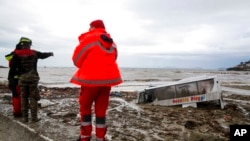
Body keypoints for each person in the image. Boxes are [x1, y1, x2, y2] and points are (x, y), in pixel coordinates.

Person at [70, 19, 122, 141]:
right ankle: (100, 138)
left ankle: (85, 137)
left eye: (90, 27)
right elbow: (113, 58)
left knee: (85, 108)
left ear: (93, 27)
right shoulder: (112, 43)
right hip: (107, 82)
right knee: (101, 111)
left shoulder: (88, 39)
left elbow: (76, 60)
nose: (88, 29)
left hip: (90, 82)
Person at [9, 37, 54, 122]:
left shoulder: (16, 54)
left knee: (23, 97)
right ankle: (34, 118)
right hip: (33, 78)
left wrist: (10, 80)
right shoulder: (34, 53)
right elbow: (43, 55)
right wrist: (50, 54)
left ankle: (25, 118)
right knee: (33, 98)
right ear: (29, 45)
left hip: (22, 78)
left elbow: (12, 69)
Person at [5, 44, 22, 117]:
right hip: (18, 79)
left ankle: (17, 111)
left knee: (15, 96)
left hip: (12, 78)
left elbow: (10, 65)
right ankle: (18, 112)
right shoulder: (19, 55)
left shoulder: (12, 54)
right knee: (19, 96)